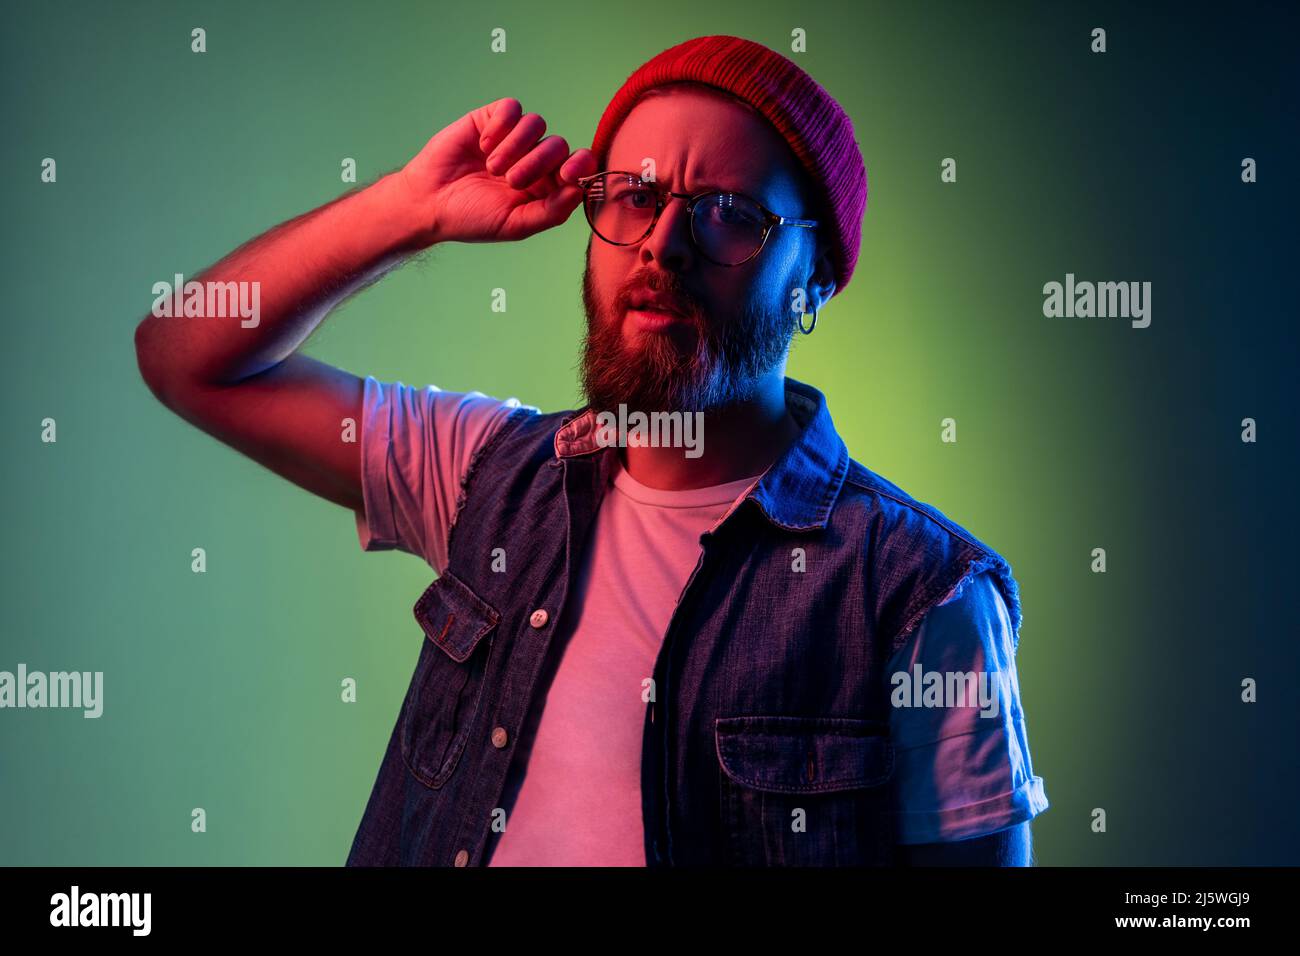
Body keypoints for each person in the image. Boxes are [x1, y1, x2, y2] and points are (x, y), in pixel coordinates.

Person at [134, 34, 1048, 866]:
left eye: (727, 213)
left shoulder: (921, 595)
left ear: (811, 280)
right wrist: (408, 210)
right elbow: (185, 356)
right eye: (637, 197)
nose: (663, 244)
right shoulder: (486, 472)